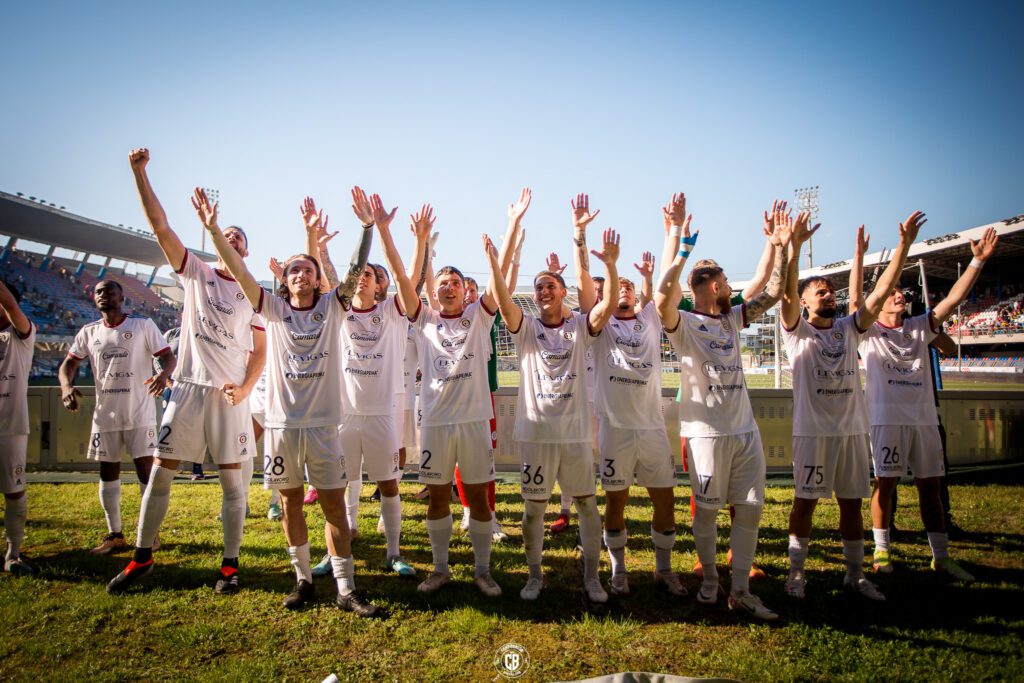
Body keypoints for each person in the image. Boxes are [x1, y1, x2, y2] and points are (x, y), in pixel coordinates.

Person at [201, 186, 380, 616]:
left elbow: (355, 268)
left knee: (334, 506)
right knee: (289, 504)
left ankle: (345, 588)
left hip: (323, 426)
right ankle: (303, 581)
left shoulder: (334, 306)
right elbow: (239, 270)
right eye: (294, 269)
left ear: (317, 280)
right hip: (281, 426)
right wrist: (213, 231)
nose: (300, 273)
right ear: (285, 279)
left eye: (307, 269)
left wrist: (366, 228)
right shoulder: (271, 309)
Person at [107, 149, 266, 595]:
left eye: (238, 238)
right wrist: (140, 174)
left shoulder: (253, 292)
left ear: (247, 251)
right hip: (189, 391)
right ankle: (142, 557)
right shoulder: (196, 272)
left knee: (233, 484)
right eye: (226, 235)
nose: (231, 240)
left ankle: (230, 568)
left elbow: (260, 351)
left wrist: (247, 388)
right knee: (161, 474)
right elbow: (161, 227)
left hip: (228, 397)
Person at [655, 192, 791, 621]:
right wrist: (678, 241)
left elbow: (773, 290)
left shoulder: (732, 317)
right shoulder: (685, 323)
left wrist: (779, 245)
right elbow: (661, 298)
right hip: (706, 434)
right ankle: (711, 580)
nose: (732, 286)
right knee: (708, 510)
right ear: (714, 286)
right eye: (727, 281)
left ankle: (742, 589)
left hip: (745, 430)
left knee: (750, 507)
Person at [485, 192, 620, 604]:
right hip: (536, 435)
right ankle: (534, 575)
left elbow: (608, 304)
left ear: (563, 292)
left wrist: (601, 257)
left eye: (550, 286)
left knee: (587, 507)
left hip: (574, 435)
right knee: (533, 510)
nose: (543, 291)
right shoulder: (525, 327)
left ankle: (592, 577)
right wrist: (495, 261)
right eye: (539, 286)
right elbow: (502, 299)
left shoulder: (580, 326)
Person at [781, 214, 923, 601]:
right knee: (805, 503)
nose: (829, 296)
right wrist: (794, 248)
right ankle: (796, 574)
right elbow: (787, 296)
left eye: (831, 292)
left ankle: (856, 575)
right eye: (820, 292)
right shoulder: (797, 331)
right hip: (813, 434)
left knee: (851, 505)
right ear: (805, 301)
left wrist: (904, 246)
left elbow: (880, 294)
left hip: (851, 433)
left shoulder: (849, 328)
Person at [856, 224, 999, 582]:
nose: (900, 296)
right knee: (885, 485)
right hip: (886, 420)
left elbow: (952, 300)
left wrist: (977, 262)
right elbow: (862, 297)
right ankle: (882, 550)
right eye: (893, 293)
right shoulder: (868, 331)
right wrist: (881, 251)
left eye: (902, 292)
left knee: (931, 488)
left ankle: (941, 556)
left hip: (924, 420)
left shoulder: (921, 326)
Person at [410, 190, 531, 599]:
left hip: (475, 422)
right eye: (442, 283)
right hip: (436, 424)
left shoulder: (480, 316)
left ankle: (482, 571)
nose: (448, 288)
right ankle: (440, 569)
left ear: (465, 291)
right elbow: (409, 282)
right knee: (437, 498)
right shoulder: (425, 320)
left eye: (455, 283)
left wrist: (512, 225)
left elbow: (501, 282)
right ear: (435, 291)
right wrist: (422, 246)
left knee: (478, 498)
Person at [59, 280, 175, 555]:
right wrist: (66, 386)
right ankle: (115, 535)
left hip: (139, 413)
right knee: (107, 472)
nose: (104, 295)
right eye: (98, 291)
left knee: (145, 471)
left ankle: (150, 534)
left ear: (122, 298)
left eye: (110, 291)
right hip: (105, 415)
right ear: (93, 297)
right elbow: (69, 363)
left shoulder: (142, 325)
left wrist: (163, 375)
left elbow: (168, 357)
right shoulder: (89, 332)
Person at [594, 259, 686, 598]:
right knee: (615, 501)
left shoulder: (649, 319)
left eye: (628, 288)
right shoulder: (601, 324)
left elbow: (668, 291)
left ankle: (664, 569)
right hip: (615, 430)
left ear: (636, 297)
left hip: (651, 428)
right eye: (617, 288)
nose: (623, 291)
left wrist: (660, 265)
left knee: (665, 501)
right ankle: (619, 570)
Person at [0, 280, 34, 575]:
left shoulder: (21, 333)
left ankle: (13, 554)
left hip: (10, 425)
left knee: (14, 490)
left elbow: (10, 304)